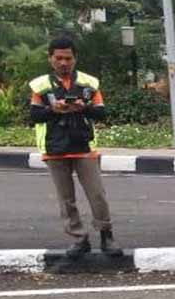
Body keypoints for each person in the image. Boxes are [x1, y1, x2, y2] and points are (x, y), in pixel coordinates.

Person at [28, 36, 119, 259]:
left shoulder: (90, 83)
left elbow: (101, 112)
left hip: (84, 146)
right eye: (58, 58)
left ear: (75, 58)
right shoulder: (40, 86)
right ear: (50, 59)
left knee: (97, 194)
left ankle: (106, 236)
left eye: (68, 58)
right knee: (65, 199)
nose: (63, 63)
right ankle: (79, 238)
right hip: (54, 148)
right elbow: (34, 115)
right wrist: (53, 110)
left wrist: (83, 107)